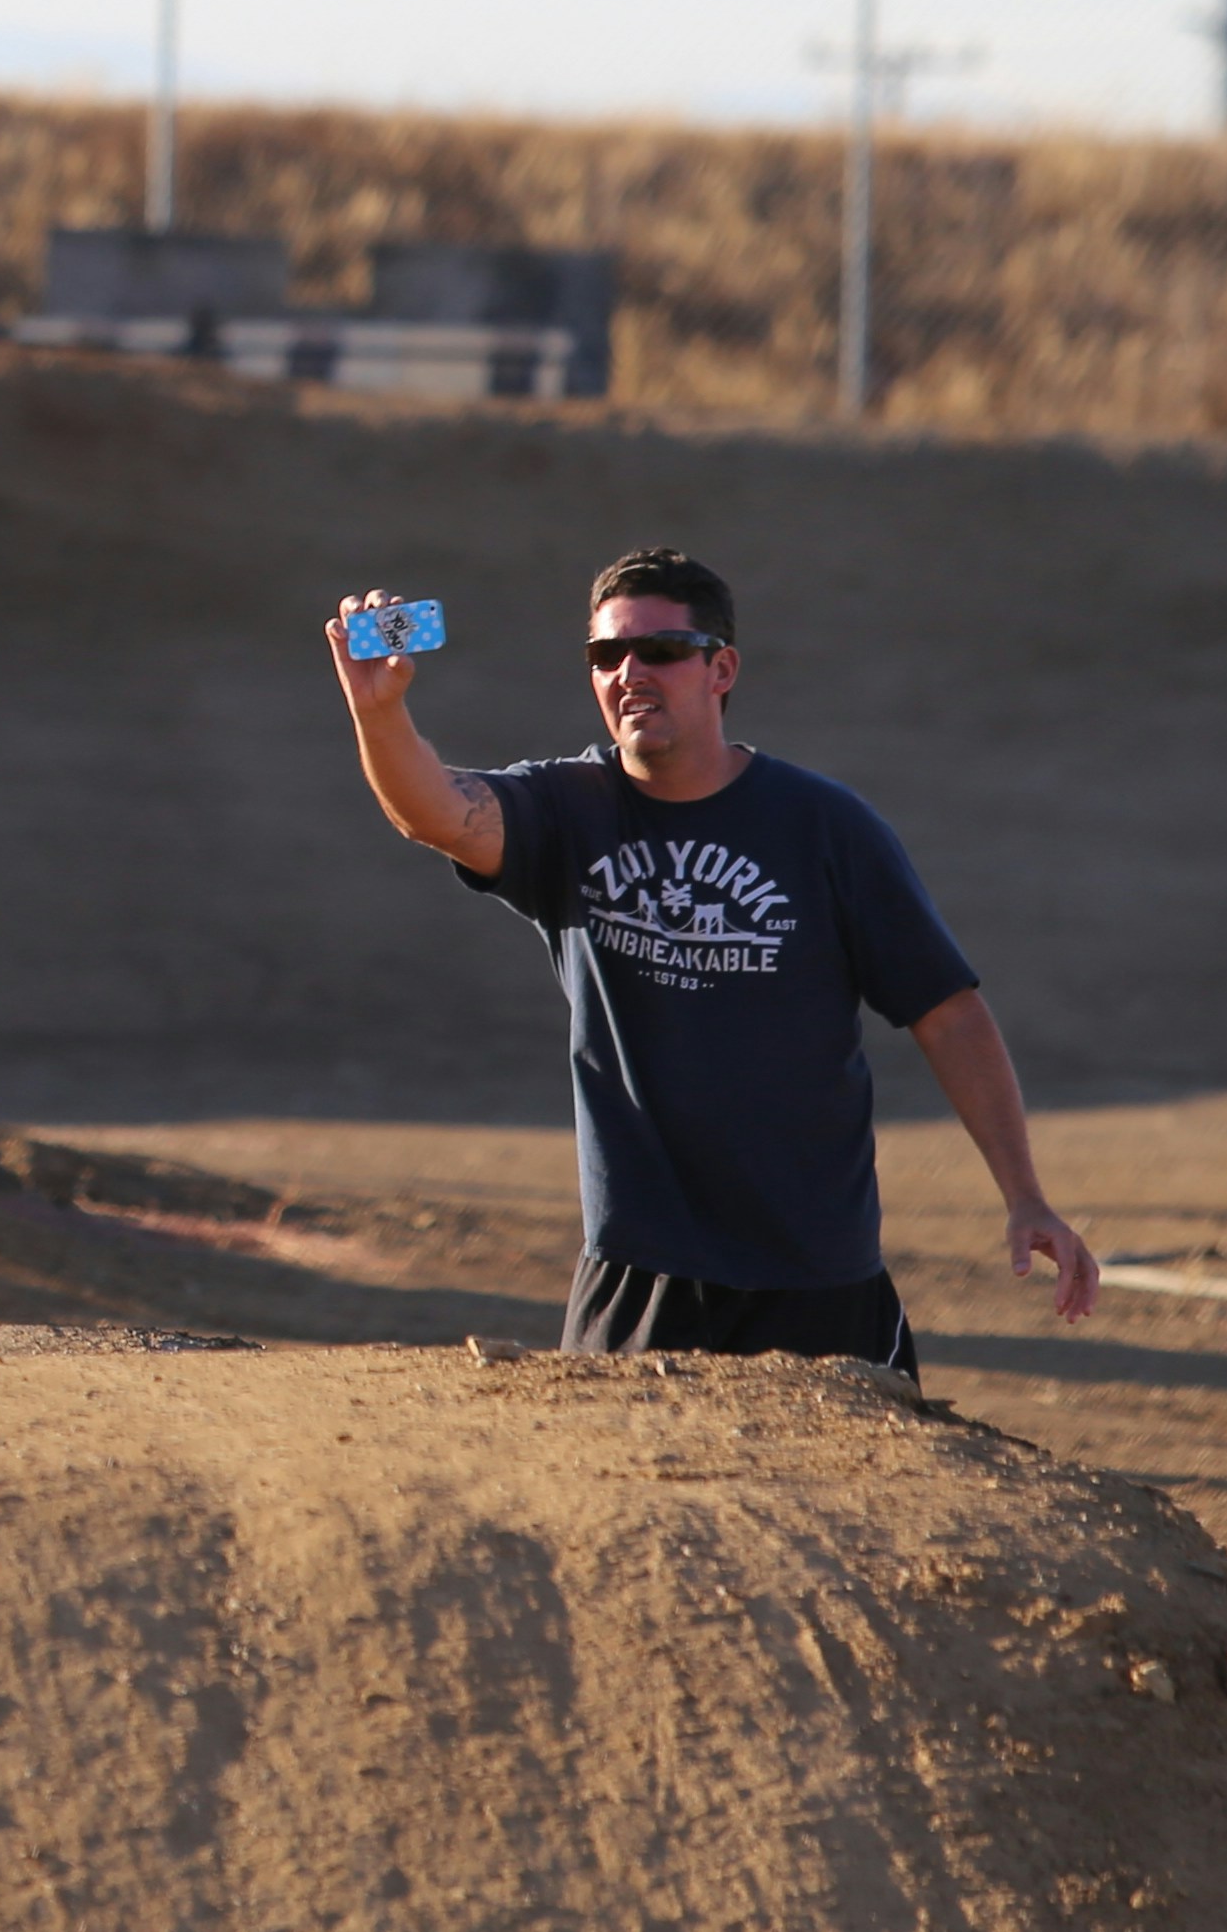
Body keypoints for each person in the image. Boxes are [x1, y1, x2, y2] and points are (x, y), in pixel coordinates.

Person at [326, 545, 1101, 1378]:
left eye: (659, 651)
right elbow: (439, 814)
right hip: (639, 1265)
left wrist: (1025, 1195)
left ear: (721, 668)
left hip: (813, 1271)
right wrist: (379, 714)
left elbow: (948, 1013)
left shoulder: (824, 827)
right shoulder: (566, 810)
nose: (629, 672)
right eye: (605, 655)